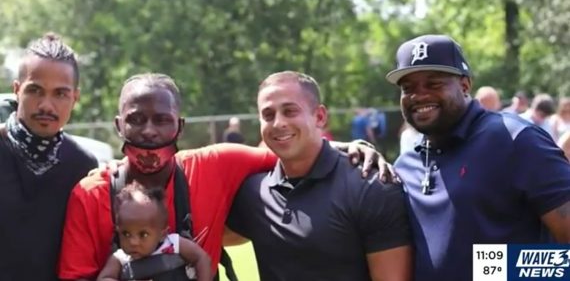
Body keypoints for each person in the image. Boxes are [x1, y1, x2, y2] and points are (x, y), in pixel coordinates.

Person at [58, 73, 386, 280]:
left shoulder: (215, 165)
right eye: (136, 119)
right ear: (119, 126)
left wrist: (347, 147)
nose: (149, 131)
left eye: (161, 120)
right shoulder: (91, 194)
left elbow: (292, 148)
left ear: (180, 127)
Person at [385, 34, 570, 281]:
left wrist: (488, 267)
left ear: (464, 85)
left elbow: (563, 258)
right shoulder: (404, 164)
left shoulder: (514, 139)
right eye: (408, 88)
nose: (419, 95)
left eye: (434, 83)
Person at [225, 71, 413, 281]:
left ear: (320, 116)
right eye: (268, 115)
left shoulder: (371, 187)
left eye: (290, 111)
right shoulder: (255, 192)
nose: (278, 123)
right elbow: (211, 235)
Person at [0, 33, 98, 281]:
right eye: (35, 91)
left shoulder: (83, 166)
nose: (46, 105)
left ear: (75, 98)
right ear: (17, 90)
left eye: (60, 94)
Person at [97, 183, 211, 281]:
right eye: (126, 234)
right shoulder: (120, 258)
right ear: (118, 231)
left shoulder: (173, 244)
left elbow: (201, 258)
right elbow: (104, 277)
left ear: (162, 234)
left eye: (143, 234)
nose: (133, 242)